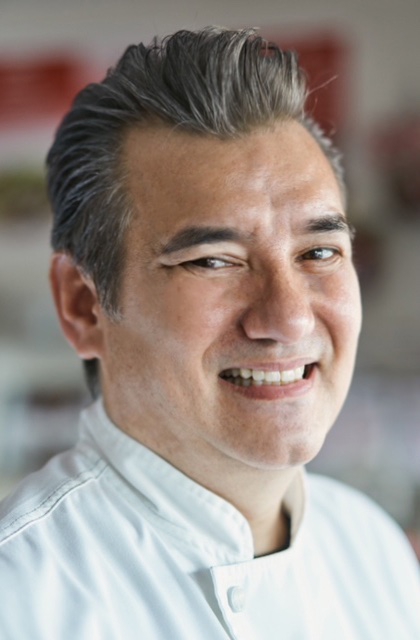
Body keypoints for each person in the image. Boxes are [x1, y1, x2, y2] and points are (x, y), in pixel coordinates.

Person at [0, 27, 419, 640]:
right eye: (214, 260)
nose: (290, 318)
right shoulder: (20, 594)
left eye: (319, 252)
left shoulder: (374, 550)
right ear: (84, 307)